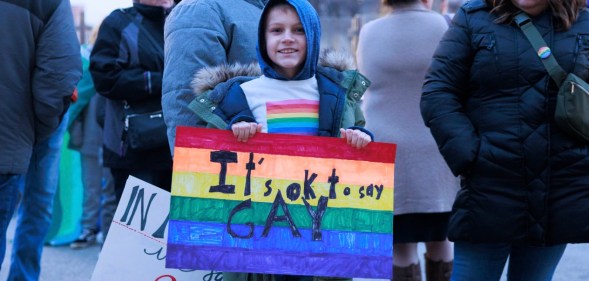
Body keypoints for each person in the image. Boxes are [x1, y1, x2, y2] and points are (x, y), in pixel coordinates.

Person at [189, 0, 372, 280]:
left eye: (298, 30)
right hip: (259, 244)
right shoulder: (242, 95)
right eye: (277, 30)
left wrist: (362, 138)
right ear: (263, 38)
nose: (287, 38)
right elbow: (215, 167)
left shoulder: (336, 93)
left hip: (321, 242)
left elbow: (359, 137)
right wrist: (236, 134)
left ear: (312, 34)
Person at [421, 0, 589, 280]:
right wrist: (470, 156)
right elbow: (438, 92)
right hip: (491, 187)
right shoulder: (474, 17)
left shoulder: (583, 21)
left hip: (560, 189)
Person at [356, 0, 457, 280]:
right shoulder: (448, 26)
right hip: (439, 155)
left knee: (400, 247)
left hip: (388, 156)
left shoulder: (368, 31)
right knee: (442, 241)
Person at [0, 0, 82, 277]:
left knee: (35, 204)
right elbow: (60, 75)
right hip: (29, 124)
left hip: (25, 123)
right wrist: (43, 126)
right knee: (37, 203)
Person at [90, 0, 175, 201]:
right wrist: (163, 80)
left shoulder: (187, 18)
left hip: (182, 150)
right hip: (135, 152)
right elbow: (105, 78)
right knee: (136, 232)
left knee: (180, 229)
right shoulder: (118, 22)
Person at [161, 0, 269, 154]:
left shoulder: (281, 7)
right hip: (236, 164)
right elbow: (186, 99)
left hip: (290, 162)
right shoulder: (199, 9)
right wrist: (195, 163)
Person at [68, 25, 117, 249]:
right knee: (98, 187)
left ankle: (98, 230)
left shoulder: (110, 64)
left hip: (102, 136)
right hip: (96, 135)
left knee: (98, 187)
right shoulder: (86, 65)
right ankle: (93, 229)